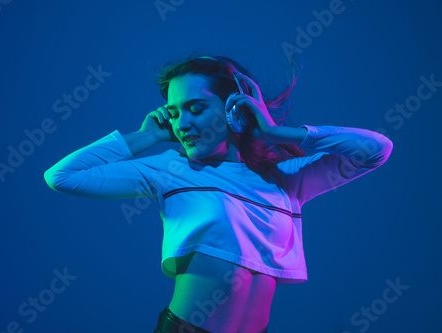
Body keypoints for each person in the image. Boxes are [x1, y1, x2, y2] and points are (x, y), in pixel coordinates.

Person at [43, 54, 393, 333]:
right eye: (175, 113)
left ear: (235, 109)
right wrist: (145, 137)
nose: (182, 125)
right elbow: (62, 176)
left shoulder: (285, 180)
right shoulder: (170, 169)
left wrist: (273, 131)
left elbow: (376, 149)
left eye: (196, 108)